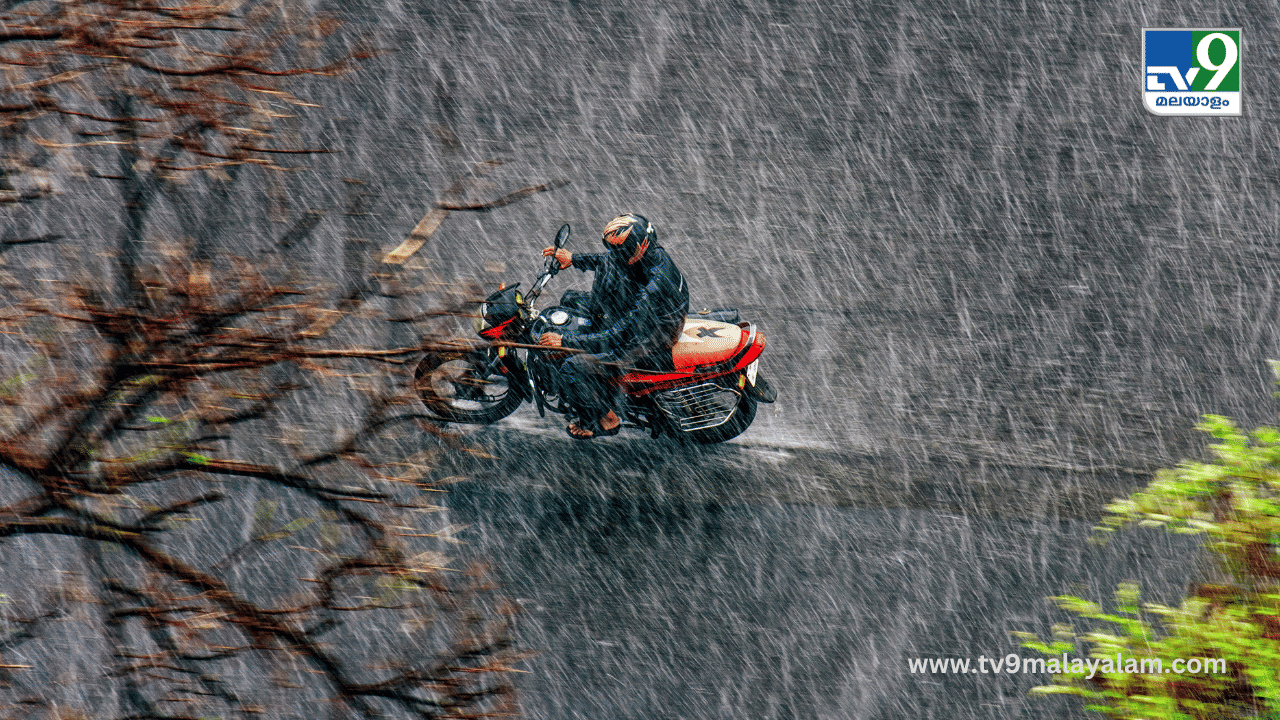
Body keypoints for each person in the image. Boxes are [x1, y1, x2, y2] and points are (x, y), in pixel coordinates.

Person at [538, 213, 689, 439]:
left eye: (619, 252)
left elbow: (622, 333)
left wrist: (565, 341)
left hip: (651, 336)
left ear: (638, 248)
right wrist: (574, 259)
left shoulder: (653, 285)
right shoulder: (647, 255)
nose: (614, 256)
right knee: (571, 300)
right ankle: (599, 387)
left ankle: (608, 419)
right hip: (649, 319)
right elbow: (607, 260)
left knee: (573, 367)